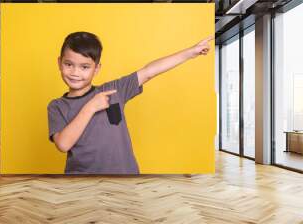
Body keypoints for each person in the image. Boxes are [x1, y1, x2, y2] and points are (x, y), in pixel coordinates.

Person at [47, 31, 213, 174]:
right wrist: (91, 107)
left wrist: (191, 52)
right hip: (84, 182)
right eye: (69, 64)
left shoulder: (114, 90)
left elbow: (149, 71)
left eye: (84, 67)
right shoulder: (57, 106)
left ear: (96, 69)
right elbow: (63, 144)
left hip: (125, 178)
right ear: (59, 63)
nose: (75, 72)